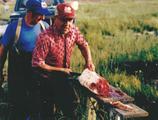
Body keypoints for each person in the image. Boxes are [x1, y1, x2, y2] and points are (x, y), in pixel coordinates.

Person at [32, 2, 95, 119]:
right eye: (63, 20)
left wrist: (89, 61)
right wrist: (61, 70)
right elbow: (37, 63)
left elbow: (84, 45)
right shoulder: (45, 37)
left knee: (71, 107)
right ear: (55, 18)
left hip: (63, 78)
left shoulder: (73, 31)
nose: (67, 24)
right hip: (46, 79)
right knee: (47, 113)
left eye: (70, 20)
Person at [0, 0, 50, 119]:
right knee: (18, 106)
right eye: (40, 14)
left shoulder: (45, 27)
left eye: (43, 14)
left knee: (35, 104)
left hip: (36, 74)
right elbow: (2, 51)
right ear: (30, 13)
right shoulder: (14, 28)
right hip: (18, 75)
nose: (43, 17)